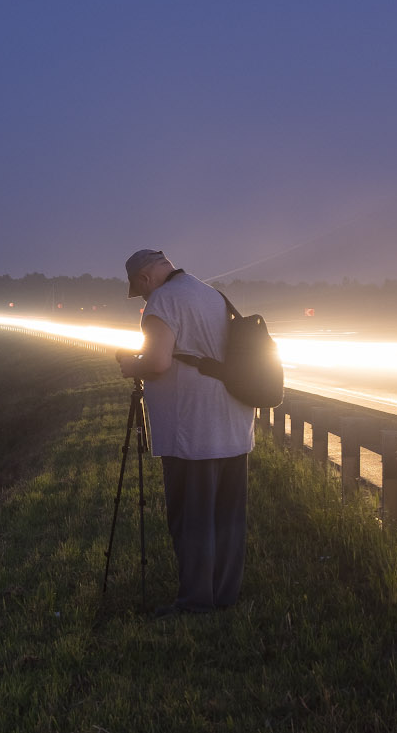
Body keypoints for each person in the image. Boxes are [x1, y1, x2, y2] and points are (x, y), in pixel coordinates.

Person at [116, 249, 254, 616]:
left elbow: (159, 361)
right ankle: (224, 595)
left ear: (145, 278)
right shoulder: (211, 294)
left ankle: (195, 602)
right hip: (233, 423)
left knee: (192, 519)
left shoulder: (163, 300)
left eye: (141, 291)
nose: (144, 298)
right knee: (227, 519)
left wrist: (132, 365)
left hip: (192, 429)